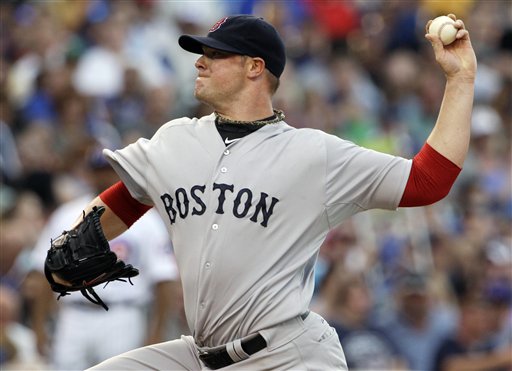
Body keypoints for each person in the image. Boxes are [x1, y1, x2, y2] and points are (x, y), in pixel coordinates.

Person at [49, 13, 476, 370]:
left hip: (287, 355)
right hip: (197, 355)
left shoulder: (313, 154)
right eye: (202, 54)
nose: (200, 62)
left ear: (255, 67)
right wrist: (73, 242)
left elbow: (428, 181)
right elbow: (127, 197)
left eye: (215, 55)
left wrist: (460, 80)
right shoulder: (174, 141)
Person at [29, 145, 180, 370]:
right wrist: (39, 326)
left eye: (109, 169)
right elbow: (44, 273)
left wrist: (157, 331)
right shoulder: (66, 215)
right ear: (89, 173)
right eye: (98, 170)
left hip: (123, 315)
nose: (104, 176)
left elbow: (164, 279)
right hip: (73, 315)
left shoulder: (147, 220)